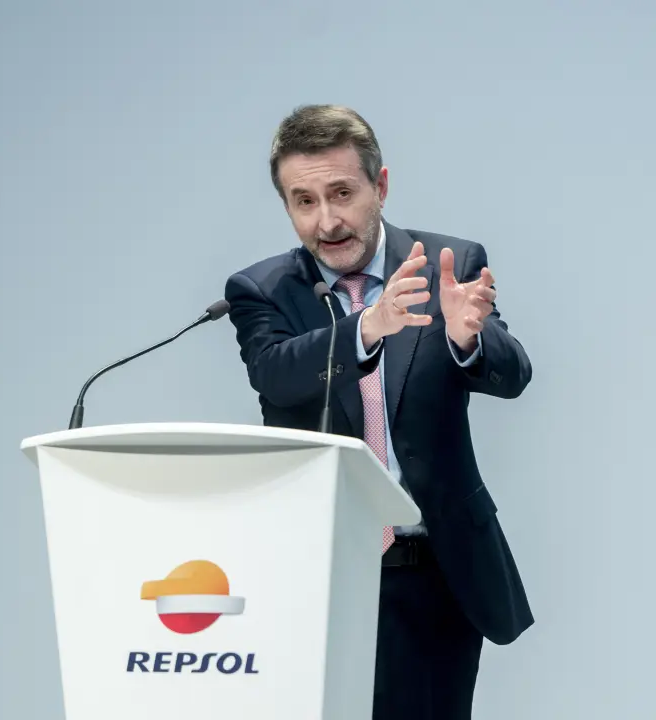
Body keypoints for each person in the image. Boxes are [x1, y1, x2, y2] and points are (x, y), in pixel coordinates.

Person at [223, 104, 534, 719]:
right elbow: (276, 375)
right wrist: (368, 326)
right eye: (304, 201)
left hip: (434, 572)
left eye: (342, 193)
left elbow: (513, 374)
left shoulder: (449, 262)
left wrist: (468, 339)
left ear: (380, 185)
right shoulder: (261, 290)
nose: (327, 220)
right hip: (319, 573)